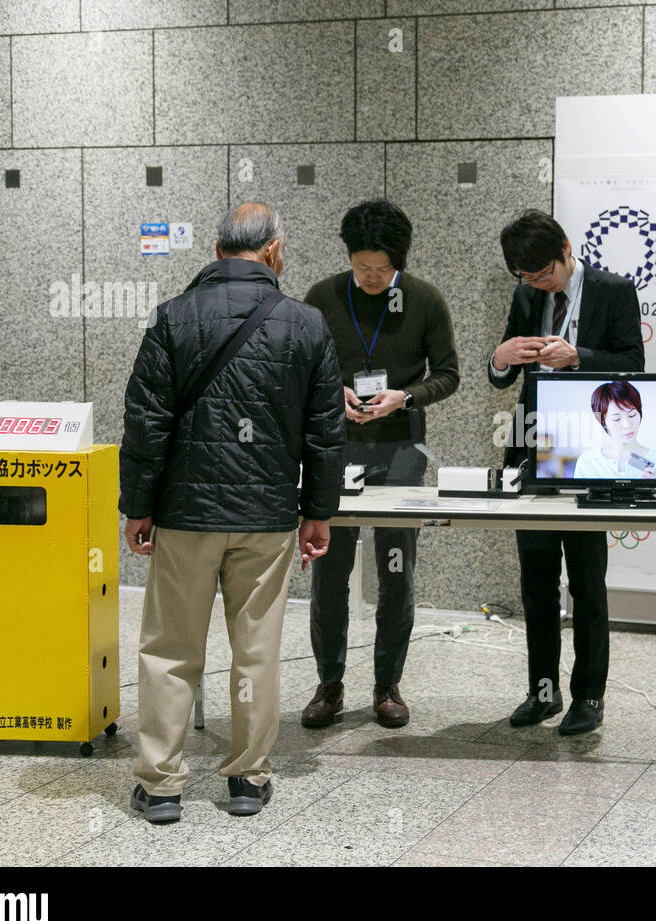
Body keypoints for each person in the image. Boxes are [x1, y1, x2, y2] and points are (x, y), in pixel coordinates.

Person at [120, 202, 345, 823]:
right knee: (256, 649)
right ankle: (247, 780)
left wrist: (138, 507)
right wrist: (317, 512)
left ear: (218, 252)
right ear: (273, 251)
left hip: (186, 515)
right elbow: (325, 433)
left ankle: (161, 785)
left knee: (169, 648)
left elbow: (145, 424)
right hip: (266, 516)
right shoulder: (306, 324)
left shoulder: (172, 317)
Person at [301, 198, 460, 729]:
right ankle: (328, 684)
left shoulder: (424, 300)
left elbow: (450, 374)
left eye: (382, 269)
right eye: (362, 267)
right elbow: (301, 369)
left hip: (399, 452)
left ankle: (388, 684)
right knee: (329, 571)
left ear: (400, 262)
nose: (371, 277)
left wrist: (405, 397)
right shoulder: (321, 298)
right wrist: (333, 394)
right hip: (334, 449)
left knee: (396, 571)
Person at [488, 209, 644, 735]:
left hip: (590, 449)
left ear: (566, 249)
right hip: (533, 447)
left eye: (544, 275)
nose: (537, 284)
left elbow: (634, 366)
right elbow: (501, 376)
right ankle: (543, 692)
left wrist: (578, 357)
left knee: (586, 583)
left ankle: (589, 698)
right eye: (527, 278)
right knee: (536, 583)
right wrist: (501, 358)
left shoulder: (612, 290)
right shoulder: (527, 294)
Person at [572, 380, 656, 480]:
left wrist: (653, 488)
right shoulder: (587, 462)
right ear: (603, 422)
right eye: (617, 419)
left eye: (632, 415)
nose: (626, 425)